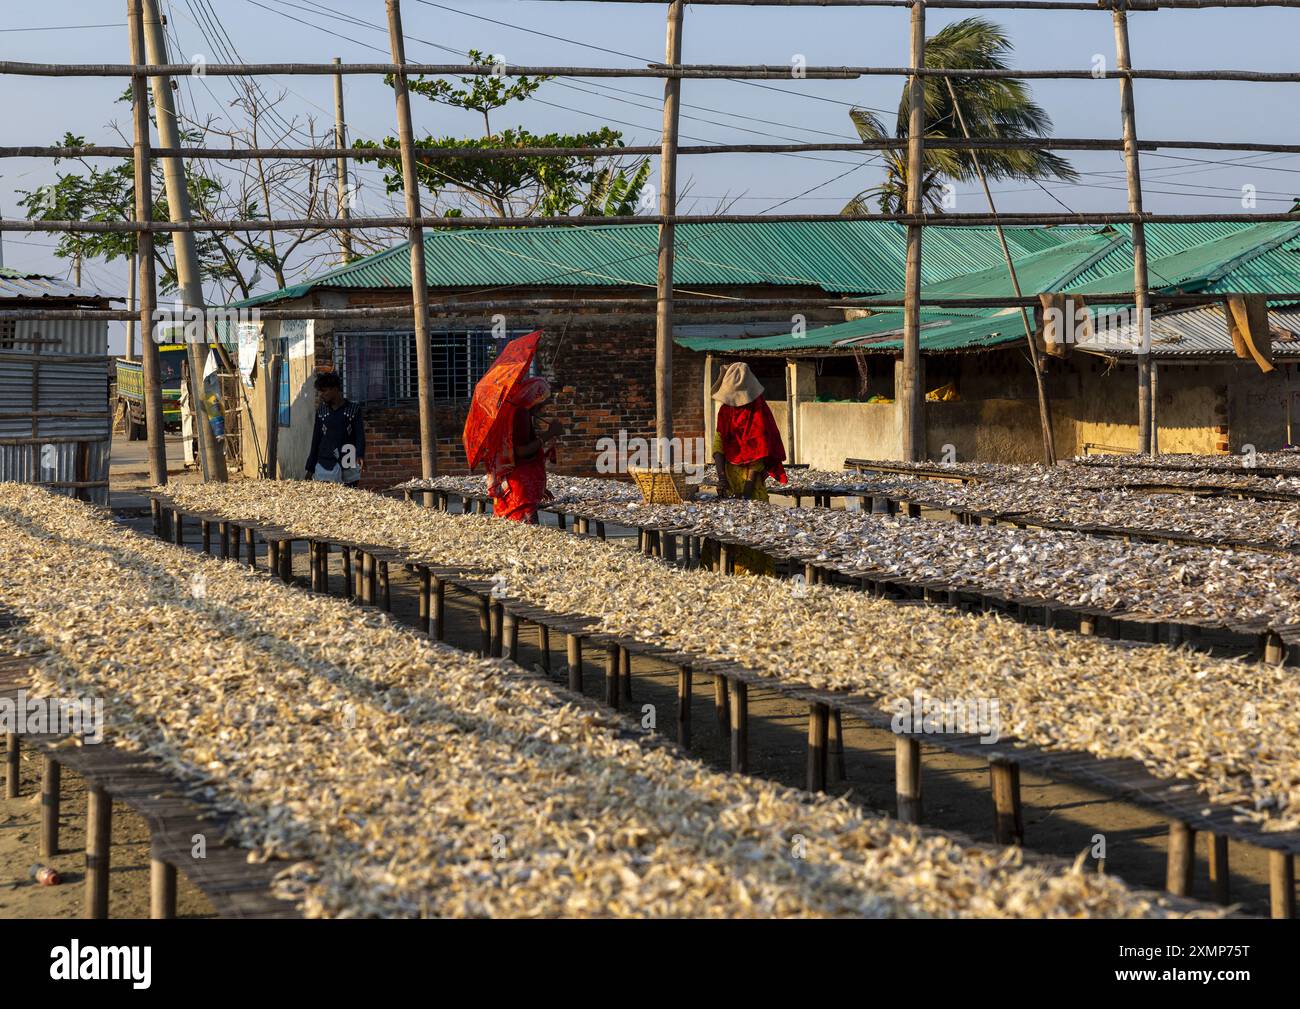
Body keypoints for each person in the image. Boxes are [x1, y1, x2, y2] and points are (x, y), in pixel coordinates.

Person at [487, 376, 563, 522]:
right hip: (519, 486)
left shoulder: (522, 413)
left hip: (520, 483)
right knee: (527, 525)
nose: (542, 406)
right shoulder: (520, 414)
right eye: (542, 401)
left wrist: (539, 487)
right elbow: (521, 451)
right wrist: (550, 433)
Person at [712, 361, 788, 501]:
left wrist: (747, 492)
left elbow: (759, 451)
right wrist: (722, 479)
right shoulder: (725, 411)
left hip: (752, 482)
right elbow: (718, 445)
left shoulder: (758, 411)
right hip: (729, 476)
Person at [304, 371, 365, 487]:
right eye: (320, 391)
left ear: (335, 389)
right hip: (325, 463)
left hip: (348, 461)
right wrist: (310, 469)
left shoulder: (353, 410)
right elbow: (316, 440)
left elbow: (359, 435)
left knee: (350, 498)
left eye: (324, 390)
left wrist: (360, 454)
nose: (321, 394)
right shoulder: (321, 412)